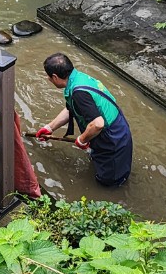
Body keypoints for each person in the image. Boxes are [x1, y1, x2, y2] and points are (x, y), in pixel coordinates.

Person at [35, 53, 133, 187]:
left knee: (110, 182)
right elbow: (71, 109)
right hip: (116, 129)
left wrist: (82, 140)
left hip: (112, 140)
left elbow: (98, 124)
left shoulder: (79, 93)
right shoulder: (77, 79)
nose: (48, 79)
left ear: (55, 77)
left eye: (48, 77)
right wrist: (50, 128)